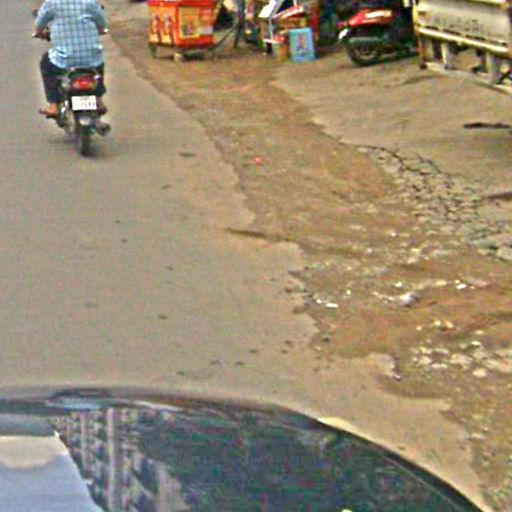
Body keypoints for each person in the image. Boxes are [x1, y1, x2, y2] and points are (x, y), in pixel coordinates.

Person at [35, 0, 108, 118]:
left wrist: (39, 33)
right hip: (91, 59)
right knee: (97, 68)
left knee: (46, 64)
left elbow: (40, 24)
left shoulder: (52, 3)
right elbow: (102, 23)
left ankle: (54, 105)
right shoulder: (90, 2)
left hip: (63, 61)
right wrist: (100, 29)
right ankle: (99, 100)